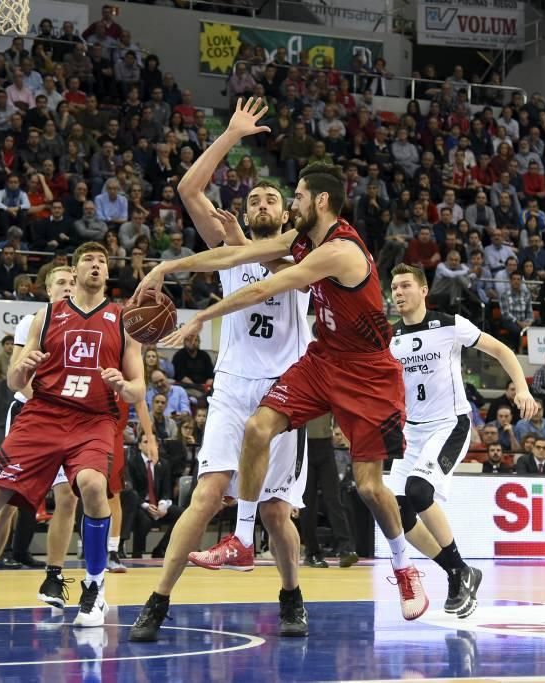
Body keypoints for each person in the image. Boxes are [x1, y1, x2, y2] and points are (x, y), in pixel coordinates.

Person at [134, 102, 425, 621]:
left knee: (356, 489)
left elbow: (266, 282)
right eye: (263, 197)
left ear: (318, 202)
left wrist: (201, 317)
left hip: (348, 371)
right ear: (245, 213)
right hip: (277, 374)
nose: (280, 202)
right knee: (218, 479)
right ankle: (172, 589)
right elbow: (224, 245)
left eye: (286, 196)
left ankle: (373, 574)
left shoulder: (319, 251)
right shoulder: (280, 240)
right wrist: (172, 264)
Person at [129, 98, 313, 643]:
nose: (259, 202)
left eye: (270, 198)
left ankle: (291, 595)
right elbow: (189, 191)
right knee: (206, 494)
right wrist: (231, 134)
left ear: (283, 215)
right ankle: (157, 599)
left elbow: (276, 271)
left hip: (287, 392)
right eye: (252, 197)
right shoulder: (228, 247)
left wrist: (242, 248)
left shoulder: (303, 252)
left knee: (278, 514)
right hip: (234, 388)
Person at [0, 242, 145, 628]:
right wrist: (25, 365)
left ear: (108, 272)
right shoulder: (47, 316)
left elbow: (139, 389)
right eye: (88, 259)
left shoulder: (123, 321)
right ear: (75, 269)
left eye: (102, 261)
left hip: (93, 419)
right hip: (44, 414)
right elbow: (16, 380)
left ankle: (94, 588)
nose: (96, 265)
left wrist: (124, 386)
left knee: (91, 486)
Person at [389, 263, 536, 617]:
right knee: (396, 511)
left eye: (406, 285)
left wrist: (522, 388)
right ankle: (459, 571)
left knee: (419, 491)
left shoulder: (450, 324)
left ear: (423, 290)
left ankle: (460, 571)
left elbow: (503, 351)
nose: (398, 292)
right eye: (394, 287)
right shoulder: (390, 339)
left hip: (448, 425)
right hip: (411, 431)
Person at [301, 414, 357, 568]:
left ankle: (346, 549)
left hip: (326, 445)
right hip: (303, 446)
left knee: (334, 499)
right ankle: (312, 553)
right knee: (308, 503)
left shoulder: (327, 390)